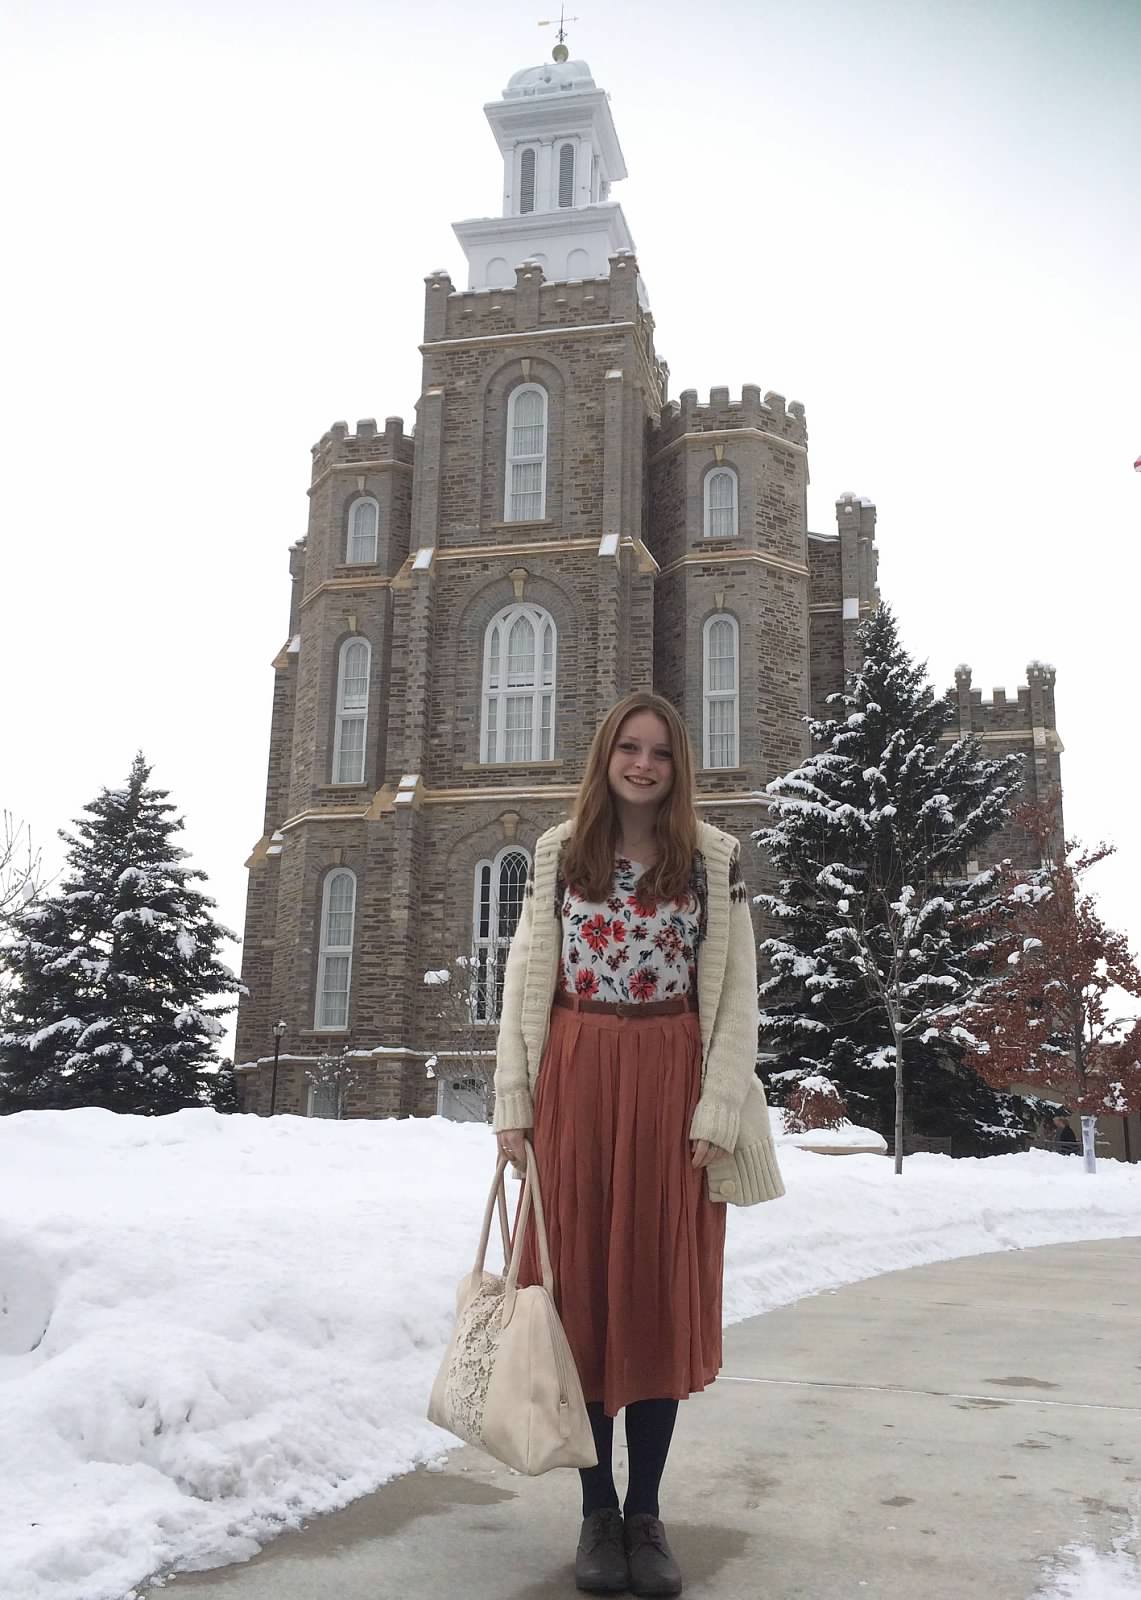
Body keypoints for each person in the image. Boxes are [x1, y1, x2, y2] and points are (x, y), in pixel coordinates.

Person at [492, 691, 784, 1597]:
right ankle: (594, 1513)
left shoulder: (713, 860)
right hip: (574, 1075)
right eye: (629, 746)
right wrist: (513, 1104)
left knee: (653, 1297)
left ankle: (646, 1516)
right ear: (605, 755)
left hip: (670, 1077)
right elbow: (521, 984)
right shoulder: (554, 855)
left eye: (660, 750)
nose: (644, 763)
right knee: (577, 1298)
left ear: (677, 764)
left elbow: (735, 1000)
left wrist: (718, 1110)